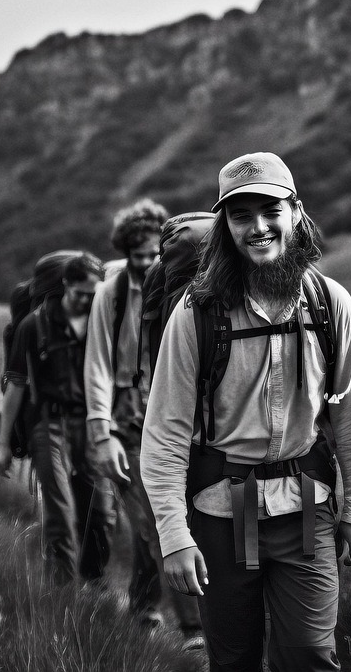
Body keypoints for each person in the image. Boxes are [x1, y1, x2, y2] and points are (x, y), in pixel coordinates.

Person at [141, 152, 351, 672]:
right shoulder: (195, 313)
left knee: (310, 654)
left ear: (295, 211)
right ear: (225, 225)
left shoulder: (328, 304)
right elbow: (166, 432)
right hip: (220, 510)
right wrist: (175, 536)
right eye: (241, 215)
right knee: (234, 659)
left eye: (270, 210)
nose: (259, 227)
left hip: (304, 504)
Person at [84, 199, 204, 647]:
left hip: (174, 412)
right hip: (128, 418)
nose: (145, 264)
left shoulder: (180, 286)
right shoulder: (109, 294)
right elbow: (96, 364)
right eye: (136, 257)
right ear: (125, 253)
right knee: (155, 521)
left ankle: (143, 610)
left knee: (153, 523)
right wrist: (102, 432)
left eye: (153, 255)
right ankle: (195, 629)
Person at [0, 252, 114, 585]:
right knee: (60, 515)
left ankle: (94, 582)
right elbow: (15, 385)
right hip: (49, 426)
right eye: (80, 293)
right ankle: (62, 596)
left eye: (94, 295)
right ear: (64, 287)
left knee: (102, 513)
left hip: (92, 426)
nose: (87, 301)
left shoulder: (100, 321)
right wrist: (3, 445)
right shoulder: (34, 325)